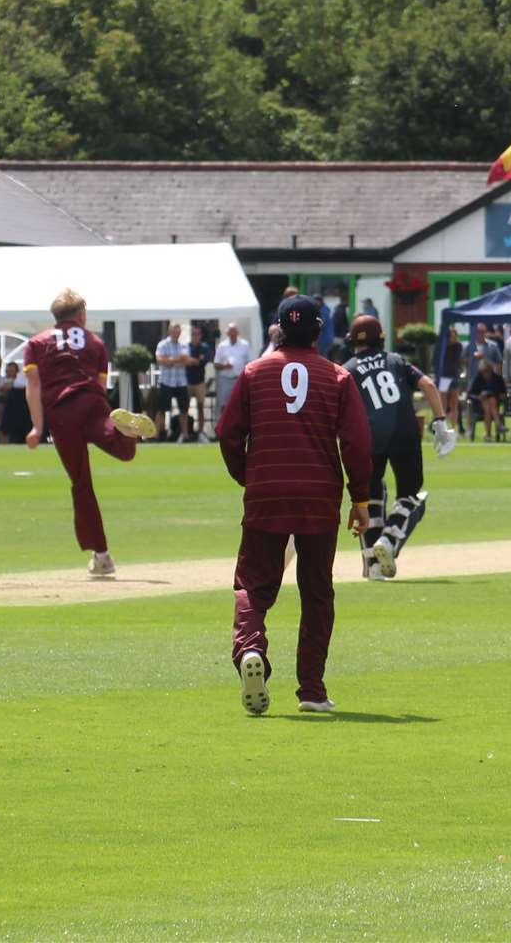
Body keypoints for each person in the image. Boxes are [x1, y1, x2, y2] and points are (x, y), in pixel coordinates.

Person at [216, 295, 372, 715]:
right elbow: (357, 443)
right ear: (320, 330)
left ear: (278, 329)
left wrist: (246, 476)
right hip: (320, 494)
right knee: (317, 592)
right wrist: (361, 498)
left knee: (252, 584)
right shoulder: (337, 377)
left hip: (267, 489)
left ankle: (251, 650)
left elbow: (228, 433)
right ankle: (312, 691)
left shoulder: (253, 372)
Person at [22, 289, 157, 576]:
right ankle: (126, 434)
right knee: (123, 450)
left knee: (82, 483)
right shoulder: (95, 342)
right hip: (93, 402)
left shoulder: (36, 343)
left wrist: (37, 426)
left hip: (61, 412)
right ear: (81, 315)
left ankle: (102, 556)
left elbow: (33, 386)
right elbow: (99, 384)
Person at [343, 315, 457, 580]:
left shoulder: (348, 368)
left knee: (369, 498)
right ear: (381, 338)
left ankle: (372, 564)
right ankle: (391, 539)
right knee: (411, 496)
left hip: (369, 436)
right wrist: (440, 422)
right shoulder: (395, 360)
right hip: (405, 431)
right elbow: (427, 384)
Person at [155, 321, 196, 442]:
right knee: (161, 409)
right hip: (166, 381)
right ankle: (157, 435)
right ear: (169, 331)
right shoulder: (163, 344)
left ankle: (185, 435)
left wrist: (170, 360)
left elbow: (188, 361)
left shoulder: (183, 345)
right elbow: (160, 361)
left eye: (178, 330)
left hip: (181, 382)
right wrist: (178, 359)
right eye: (174, 330)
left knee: (184, 410)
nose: (176, 332)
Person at [461, 322, 503, 436]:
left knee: (489, 403)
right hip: (473, 381)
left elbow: (499, 364)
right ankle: (470, 428)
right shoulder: (468, 346)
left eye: (482, 332)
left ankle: (490, 431)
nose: (480, 334)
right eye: (478, 332)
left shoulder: (493, 346)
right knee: (468, 404)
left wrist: (484, 359)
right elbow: (462, 361)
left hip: (489, 383)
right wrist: (471, 359)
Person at [213, 321, 252, 415]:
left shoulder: (245, 345)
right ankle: (224, 428)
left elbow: (250, 362)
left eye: (234, 331)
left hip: (240, 379)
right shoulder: (222, 346)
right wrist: (225, 366)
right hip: (225, 380)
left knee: (240, 405)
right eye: (231, 331)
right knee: (224, 405)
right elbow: (216, 365)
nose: (232, 333)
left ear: (238, 333)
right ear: (227, 333)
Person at [468, 359, 506, 441]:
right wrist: (478, 397)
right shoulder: (478, 379)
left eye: (487, 371)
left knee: (490, 402)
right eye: (484, 371)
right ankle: (499, 424)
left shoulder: (497, 379)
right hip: (479, 405)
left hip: (494, 405)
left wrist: (500, 395)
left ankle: (488, 434)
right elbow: (470, 394)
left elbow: (503, 392)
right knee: (487, 402)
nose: (486, 373)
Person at [0, 361, 32, 443]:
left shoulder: (22, 384)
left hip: (24, 418)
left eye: (11, 371)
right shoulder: (4, 382)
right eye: (8, 371)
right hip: (14, 418)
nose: (9, 373)